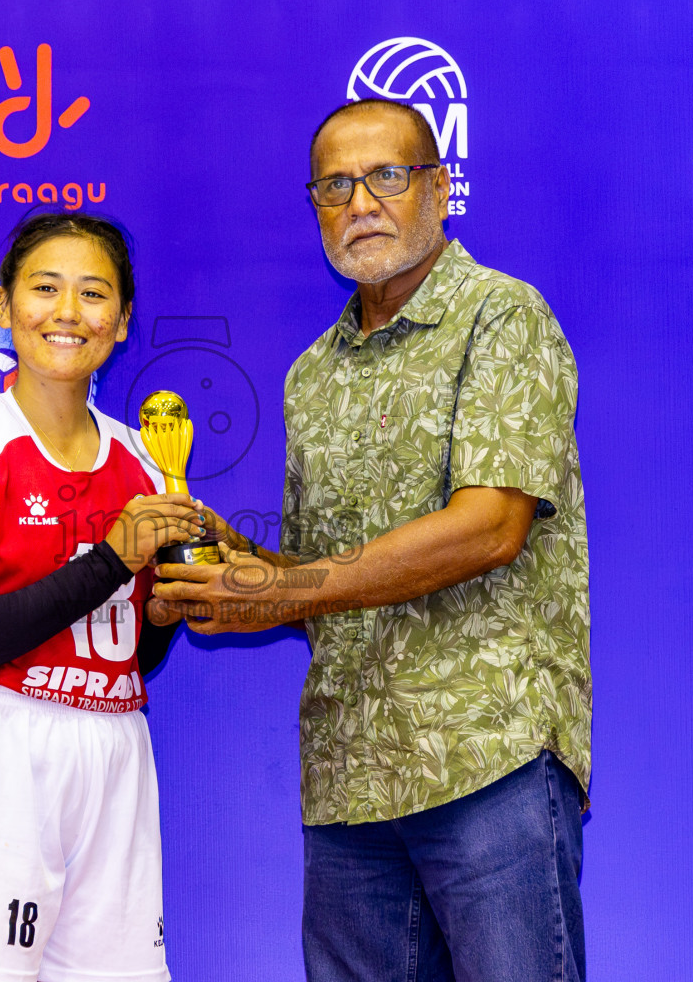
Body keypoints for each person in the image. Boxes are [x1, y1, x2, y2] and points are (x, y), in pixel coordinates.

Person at [155, 98, 591, 982]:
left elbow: (491, 526)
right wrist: (226, 559)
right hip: (348, 775)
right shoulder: (310, 374)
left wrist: (285, 588)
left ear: (438, 189)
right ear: (315, 204)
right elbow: (324, 578)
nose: (362, 203)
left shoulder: (502, 317)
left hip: (487, 757)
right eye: (336, 185)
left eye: (388, 176)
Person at [0, 211, 199, 982]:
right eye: (45, 289)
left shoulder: (140, 460)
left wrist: (164, 606)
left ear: (123, 320)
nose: (68, 312)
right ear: (4, 308)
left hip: (116, 751)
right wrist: (113, 558)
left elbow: (133, 645)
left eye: (94, 293)